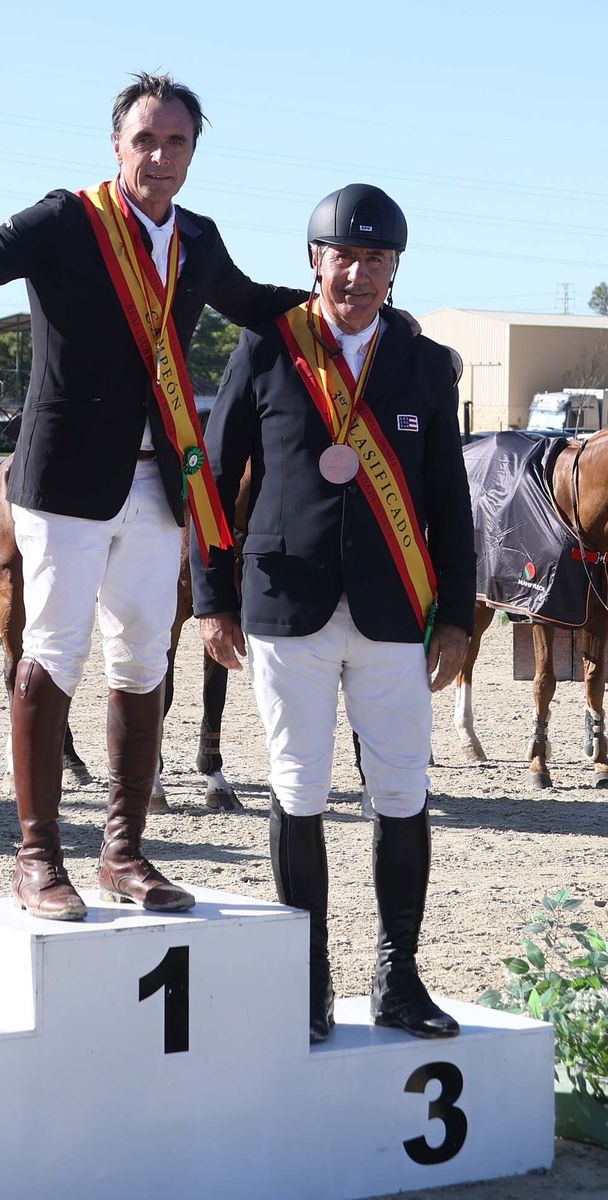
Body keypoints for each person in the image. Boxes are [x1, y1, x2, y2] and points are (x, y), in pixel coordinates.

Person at [0, 72, 309, 921]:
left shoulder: (198, 239)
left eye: (176, 142)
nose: (159, 156)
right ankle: (37, 857)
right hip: (63, 481)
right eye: (145, 139)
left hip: (157, 485)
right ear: (117, 146)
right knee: (55, 656)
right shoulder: (66, 219)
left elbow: (255, 306)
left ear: (193, 152)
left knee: (145, 664)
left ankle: (124, 852)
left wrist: (342, 304)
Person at [194, 186, 475, 1044]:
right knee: (298, 789)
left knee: (401, 792)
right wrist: (211, 598)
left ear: (395, 271)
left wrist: (457, 618)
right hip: (286, 606)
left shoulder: (427, 366)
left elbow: (449, 502)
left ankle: (399, 974)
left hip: (396, 612)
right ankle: (305, 983)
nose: (356, 274)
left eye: (375, 260)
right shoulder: (268, 349)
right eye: (341, 257)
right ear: (314, 260)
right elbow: (212, 477)